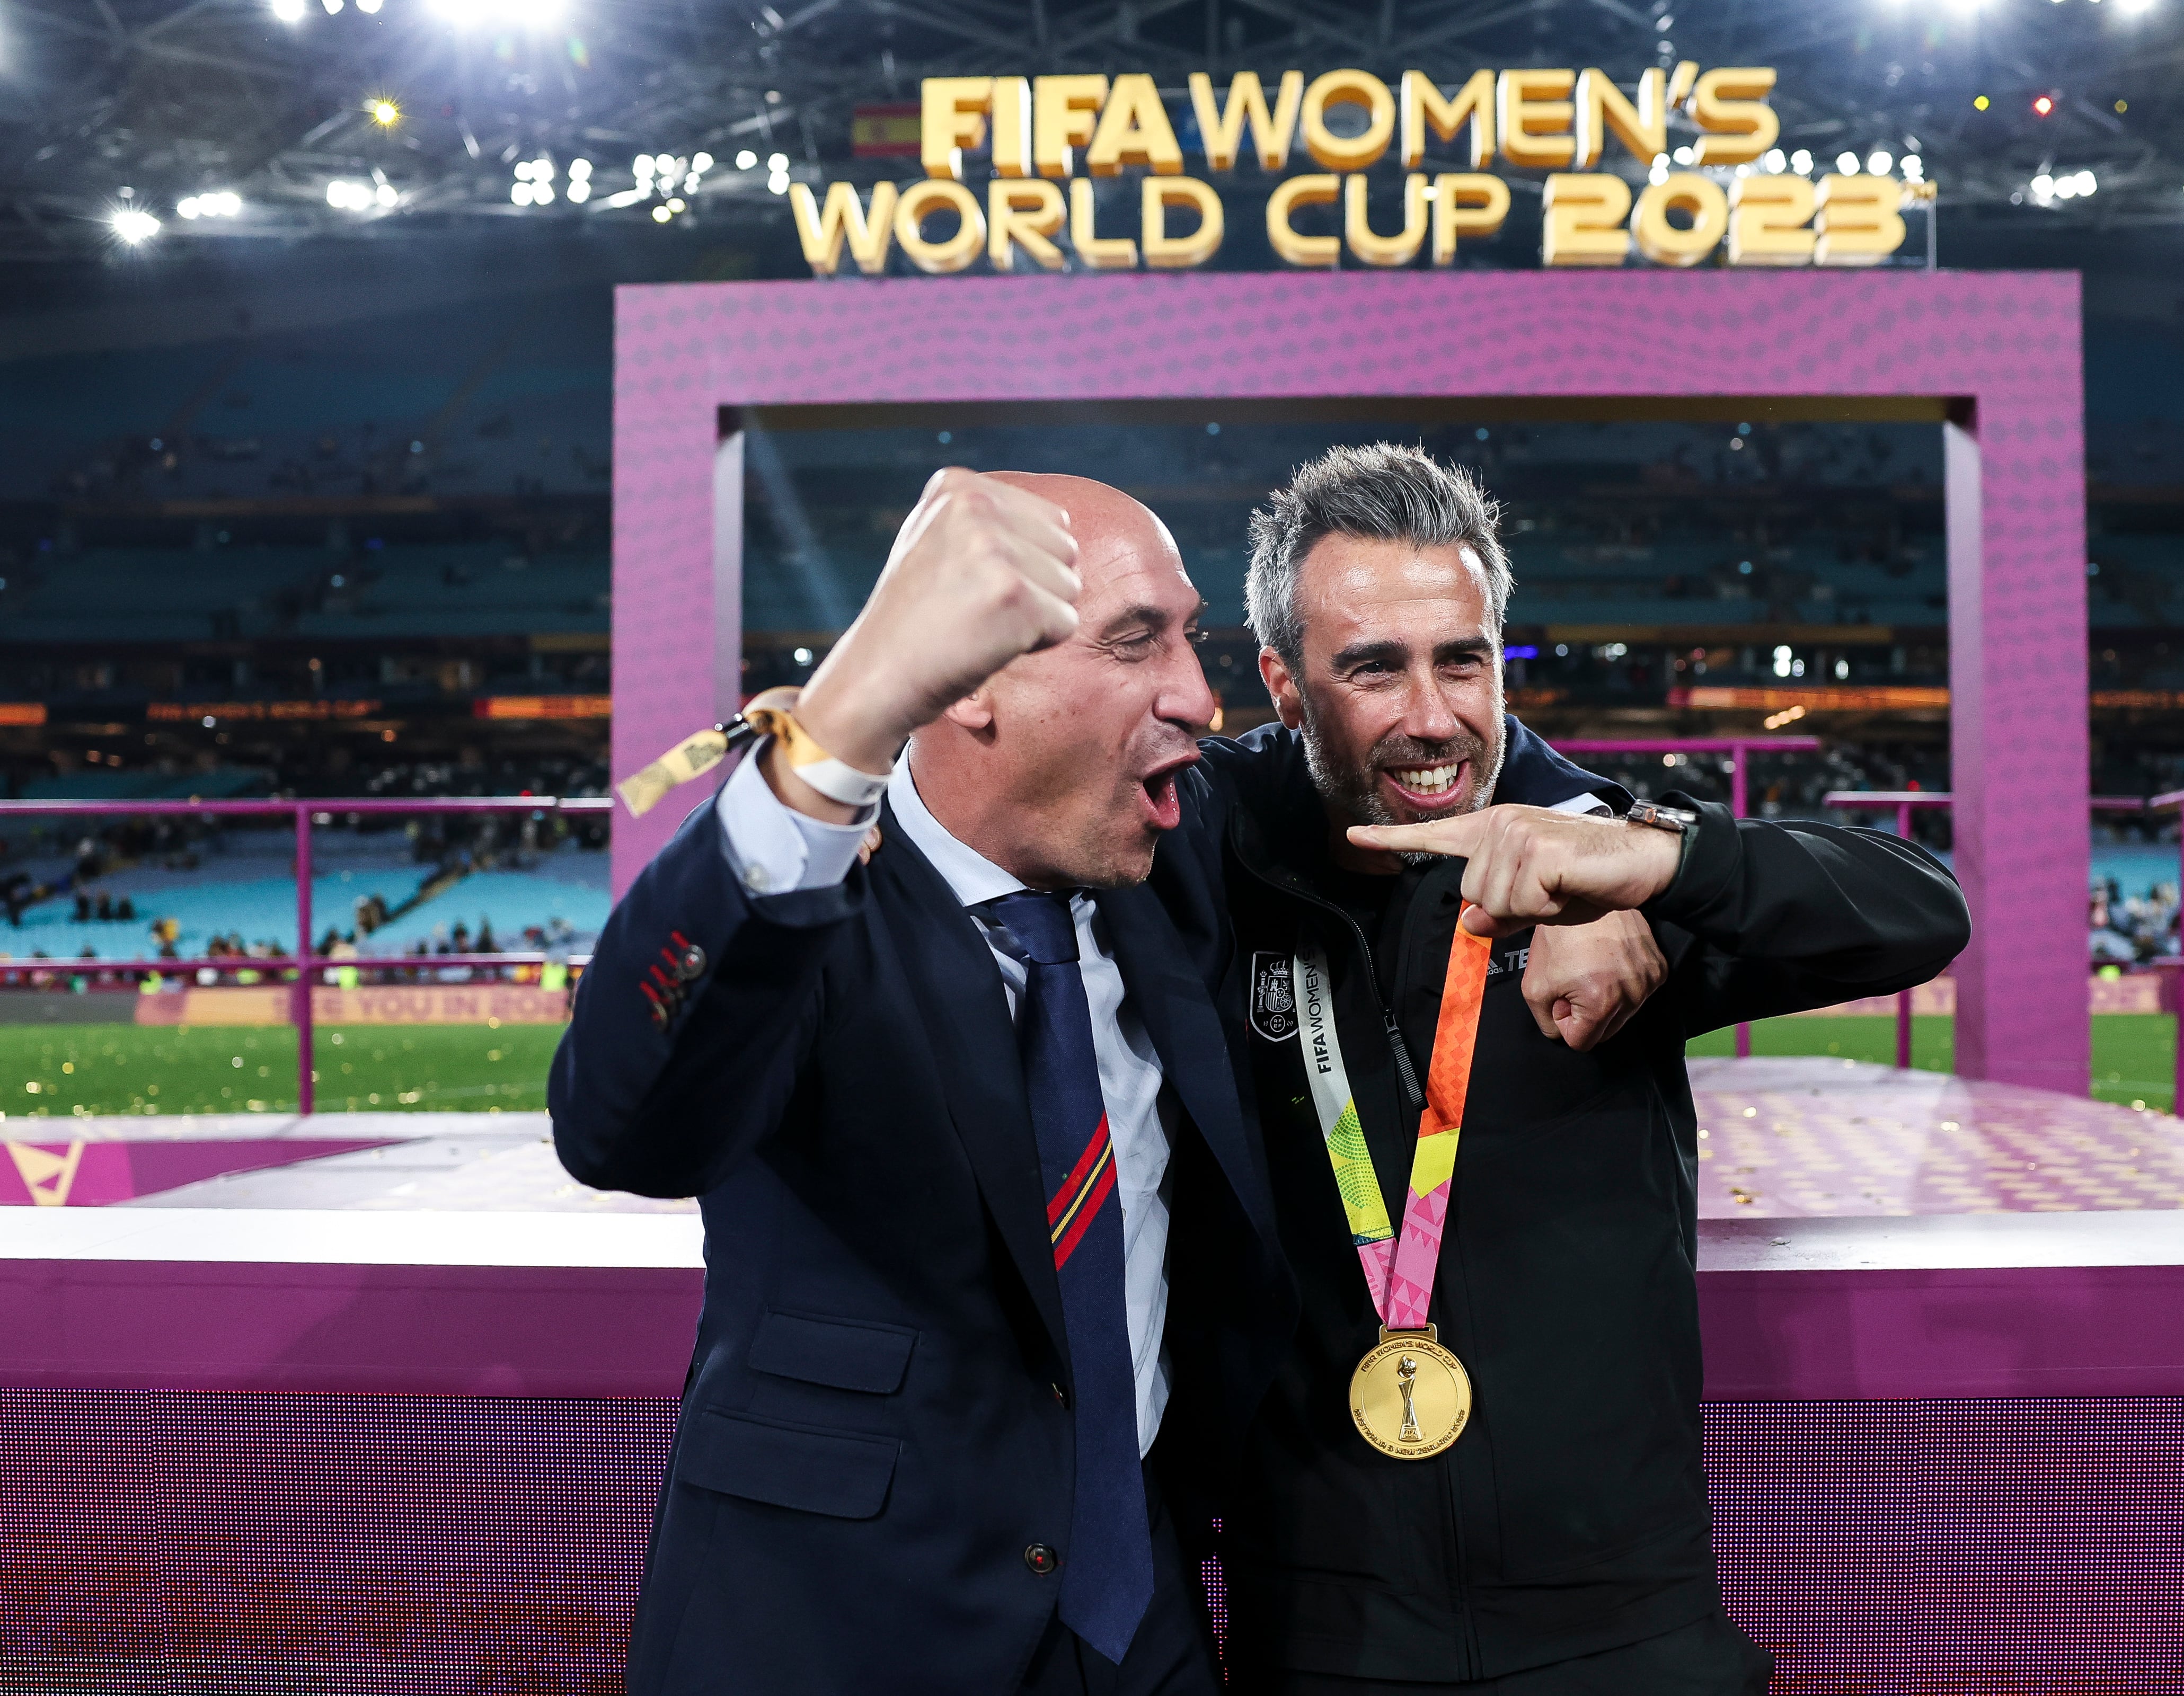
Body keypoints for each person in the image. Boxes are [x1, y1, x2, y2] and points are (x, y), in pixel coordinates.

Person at [550, 467, 1635, 1696]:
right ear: (960, 684)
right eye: (1134, 643)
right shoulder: (809, 909)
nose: (1195, 693)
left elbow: (1437, 743)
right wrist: (841, 714)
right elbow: (621, 1126)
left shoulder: (1177, 848)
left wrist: (1594, 845)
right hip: (836, 1637)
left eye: (1186, 638)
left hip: (1144, 1635)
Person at [1192, 444, 1971, 1694]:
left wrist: (1650, 861)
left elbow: (1919, 909)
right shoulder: (1200, 857)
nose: (1434, 714)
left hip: (1624, 1622)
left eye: (1464, 657)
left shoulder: (1604, 856)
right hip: (1321, 1625)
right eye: (1373, 668)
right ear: (1284, 682)